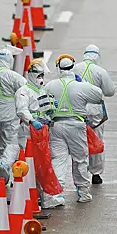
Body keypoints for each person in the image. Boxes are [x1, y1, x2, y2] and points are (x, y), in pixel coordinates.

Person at [44, 55, 104, 203]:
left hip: (56, 126)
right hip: (76, 126)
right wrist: (81, 82)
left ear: (58, 68)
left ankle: (56, 194)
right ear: (73, 67)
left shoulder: (51, 85)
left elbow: (42, 101)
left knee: (58, 160)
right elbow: (98, 95)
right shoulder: (80, 86)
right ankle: (83, 192)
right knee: (80, 160)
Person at [13, 60, 66, 208]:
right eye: (38, 76)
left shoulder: (41, 91)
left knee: (42, 164)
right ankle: (28, 195)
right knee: (29, 164)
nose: (41, 79)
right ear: (31, 75)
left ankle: (41, 195)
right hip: (29, 132)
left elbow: (45, 108)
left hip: (42, 131)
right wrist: (31, 121)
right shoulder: (24, 91)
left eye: (42, 76)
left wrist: (52, 108)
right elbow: (21, 110)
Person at [73, 44, 116, 185]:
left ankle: (80, 172)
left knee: (78, 142)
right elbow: (110, 91)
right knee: (96, 141)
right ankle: (96, 173)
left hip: (77, 108)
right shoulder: (100, 71)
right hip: (95, 112)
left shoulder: (74, 68)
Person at [0, 48, 27, 184]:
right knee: (11, 143)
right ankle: (4, 163)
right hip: (10, 116)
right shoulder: (13, 76)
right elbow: (27, 90)